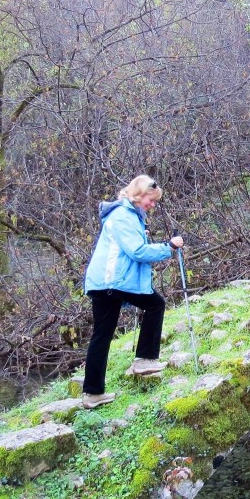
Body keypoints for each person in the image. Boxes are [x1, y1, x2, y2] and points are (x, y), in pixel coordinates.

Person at [81, 175, 184, 409]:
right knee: (155, 304)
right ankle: (145, 360)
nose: (153, 204)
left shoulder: (128, 215)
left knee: (102, 335)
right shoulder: (123, 216)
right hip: (113, 281)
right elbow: (137, 251)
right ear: (139, 195)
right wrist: (168, 247)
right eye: (151, 199)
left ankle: (92, 393)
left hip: (103, 282)